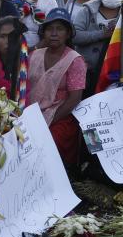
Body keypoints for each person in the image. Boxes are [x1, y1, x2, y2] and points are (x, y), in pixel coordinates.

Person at [27, 8, 85, 164]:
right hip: (30, 113)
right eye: (49, 29)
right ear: (43, 33)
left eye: (59, 29)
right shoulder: (34, 55)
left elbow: (74, 98)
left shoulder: (75, 60)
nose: (54, 33)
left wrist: (49, 120)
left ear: (67, 34)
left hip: (59, 116)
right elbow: (23, 86)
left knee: (49, 144)